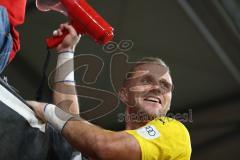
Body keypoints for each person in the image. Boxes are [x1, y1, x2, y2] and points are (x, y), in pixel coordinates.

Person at [28, 24, 192, 160]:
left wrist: (46, 110)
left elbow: (104, 145)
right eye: (146, 80)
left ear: (169, 102)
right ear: (124, 94)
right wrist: (66, 52)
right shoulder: (108, 144)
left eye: (165, 85)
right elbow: (69, 122)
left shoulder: (175, 132)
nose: (157, 88)